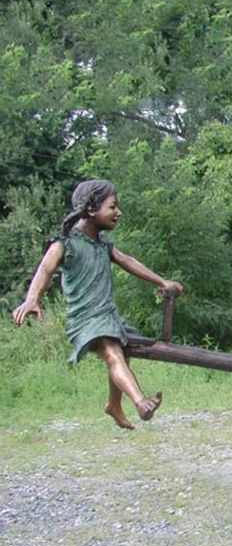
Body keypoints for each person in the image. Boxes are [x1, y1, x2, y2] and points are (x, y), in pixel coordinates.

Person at [12, 180, 183, 430]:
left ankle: (113, 405)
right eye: (112, 207)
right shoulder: (65, 244)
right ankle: (140, 403)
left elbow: (128, 261)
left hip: (107, 316)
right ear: (91, 210)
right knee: (113, 352)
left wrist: (162, 281)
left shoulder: (104, 245)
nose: (118, 212)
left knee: (121, 352)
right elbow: (45, 269)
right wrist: (32, 299)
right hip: (85, 320)